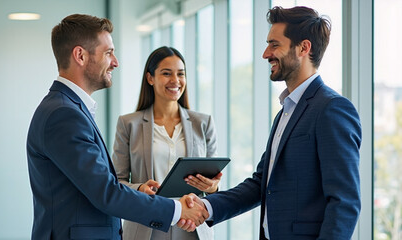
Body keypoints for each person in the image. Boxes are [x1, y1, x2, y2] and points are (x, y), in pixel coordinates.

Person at [182, 6, 362, 240]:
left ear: (303, 48)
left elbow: (344, 202)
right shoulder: (286, 111)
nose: (266, 53)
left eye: (274, 44)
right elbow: (261, 184)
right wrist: (208, 207)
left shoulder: (332, 109)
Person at [26, 14, 207, 240]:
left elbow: (94, 186)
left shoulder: (68, 109)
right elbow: (106, 192)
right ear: (80, 55)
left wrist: (137, 189)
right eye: (109, 53)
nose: (115, 62)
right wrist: (176, 209)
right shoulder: (64, 114)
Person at [111, 46, 221, 240]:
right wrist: (140, 189)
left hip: (192, 228)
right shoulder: (128, 124)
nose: (175, 80)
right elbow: (116, 182)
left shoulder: (203, 123)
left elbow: (214, 185)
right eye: (166, 73)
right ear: (150, 78)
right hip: (146, 227)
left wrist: (212, 187)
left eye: (181, 74)